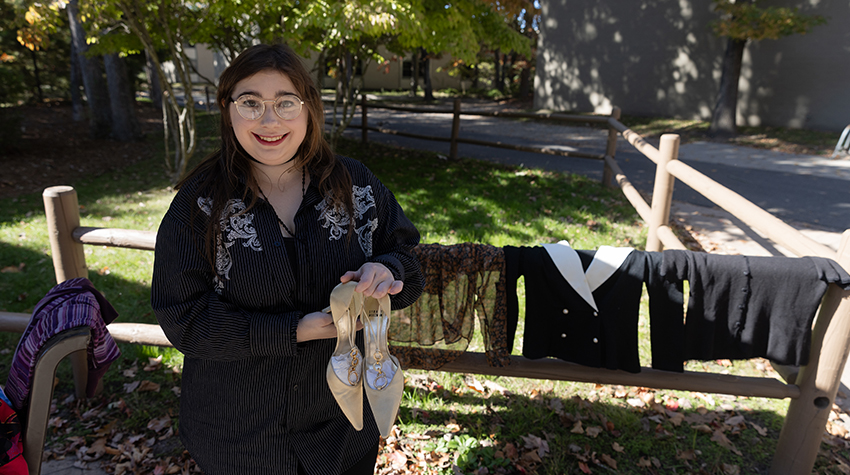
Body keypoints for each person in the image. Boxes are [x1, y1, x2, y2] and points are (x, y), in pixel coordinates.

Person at [150, 43, 424, 475]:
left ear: (309, 108)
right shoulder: (198, 203)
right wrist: (290, 331)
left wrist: (387, 271)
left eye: (285, 102)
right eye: (250, 102)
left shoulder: (358, 186)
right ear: (227, 109)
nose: (269, 120)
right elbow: (182, 315)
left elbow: (408, 258)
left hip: (343, 426)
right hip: (240, 432)